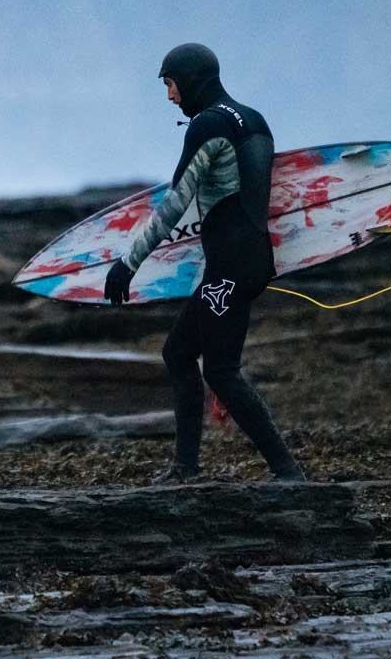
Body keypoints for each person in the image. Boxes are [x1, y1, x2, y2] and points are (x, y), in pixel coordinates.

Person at [103, 43, 309, 484]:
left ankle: (288, 472)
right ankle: (185, 468)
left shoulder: (207, 127)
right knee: (178, 353)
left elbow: (176, 202)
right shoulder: (253, 119)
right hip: (249, 260)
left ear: (191, 79)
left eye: (170, 84)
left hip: (231, 267)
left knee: (220, 369)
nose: (170, 96)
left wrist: (128, 262)